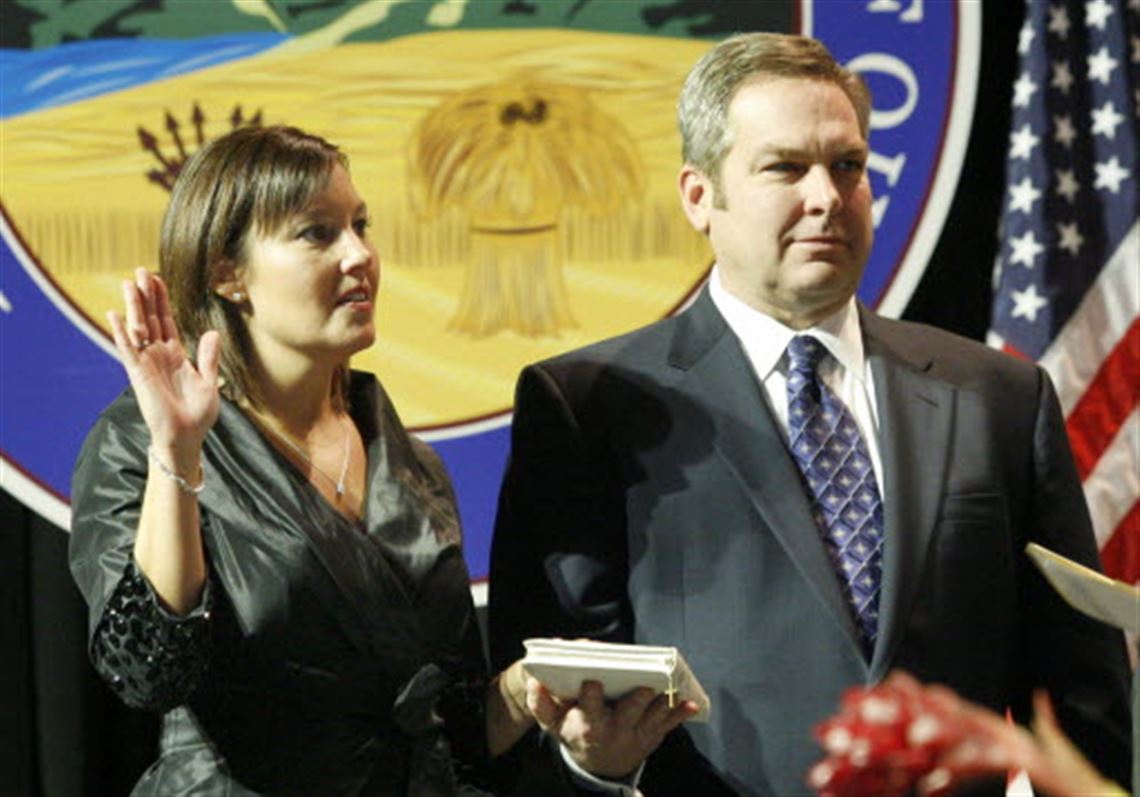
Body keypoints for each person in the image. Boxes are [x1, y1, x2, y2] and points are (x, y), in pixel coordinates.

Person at [487, 33, 1132, 796]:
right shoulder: (591, 404)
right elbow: (552, 710)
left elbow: (1083, 700)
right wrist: (597, 767)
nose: (826, 195)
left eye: (848, 165)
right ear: (699, 197)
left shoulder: (997, 397)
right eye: (785, 167)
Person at [68, 125, 692, 796]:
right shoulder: (142, 440)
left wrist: (519, 692)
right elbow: (150, 671)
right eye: (317, 233)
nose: (359, 254)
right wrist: (178, 452)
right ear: (228, 273)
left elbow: (449, 738)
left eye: (361, 225)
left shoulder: (409, 463)